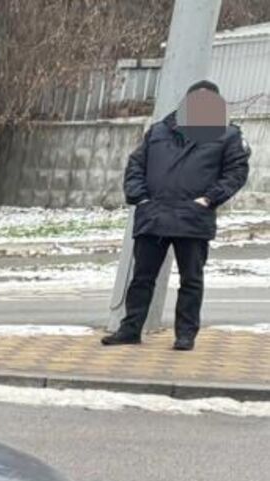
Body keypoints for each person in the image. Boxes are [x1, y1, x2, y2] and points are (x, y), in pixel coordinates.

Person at [101, 81, 252, 351]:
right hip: (154, 214)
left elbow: (236, 173)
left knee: (191, 280)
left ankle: (185, 335)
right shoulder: (159, 130)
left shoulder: (228, 135)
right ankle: (130, 330)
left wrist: (208, 200)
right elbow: (136, 164)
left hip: (193, 217)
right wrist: (140, 197)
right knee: (142, 278)